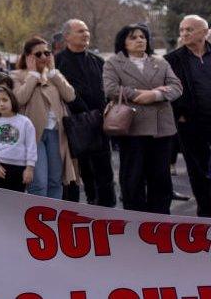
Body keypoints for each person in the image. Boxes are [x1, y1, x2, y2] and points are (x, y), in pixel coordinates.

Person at [103, 24, 182, 214]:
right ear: (123, 42)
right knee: (133, 178)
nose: (140, 40)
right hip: (132, 128)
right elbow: (111, 89)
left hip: (161, 129)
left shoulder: (160, 62)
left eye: (143, 37)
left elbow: (177, 87)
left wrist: (155, 96)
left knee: (161, 178)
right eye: (133, 37)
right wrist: (140, 94)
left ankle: (160, 220)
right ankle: (134, 220)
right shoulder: (113, 63)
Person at [54, 19, 116, 207]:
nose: (86, 34)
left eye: (87, 30)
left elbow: (107, 88)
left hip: (100, 120)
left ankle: (109, 208)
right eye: (80, 31)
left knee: (105, 168)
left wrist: (107, 107)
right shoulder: (58, 62)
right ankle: (92, 205)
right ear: (67, 37)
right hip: (75, 123)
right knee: (85, 169)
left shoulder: (98, 61)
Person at [12, 36, 77, 199]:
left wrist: (54, 72)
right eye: (38, 54)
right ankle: (36, 219)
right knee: (39, 182)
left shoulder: (54, 75)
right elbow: (19, 99)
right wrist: (33, 74)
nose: (43, 57)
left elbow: (70, 96)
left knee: (55, 180)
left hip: (56, 132)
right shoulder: (17, 75)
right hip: (33, 136)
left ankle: (53, 217)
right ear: (28, 56)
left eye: (47, 53)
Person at [164, 15, 211, 216]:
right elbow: (168, 90)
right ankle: (205, 212)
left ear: (204, 32)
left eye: (189, 30)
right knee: (197, 170)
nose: (184, 34)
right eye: (182, 30)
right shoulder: (172, 59)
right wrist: (180, 113)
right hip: (190, 123)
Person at [0, 86, 36, 192]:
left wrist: (29, 169)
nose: (1, 104)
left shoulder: (25, 122)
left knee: (17, 202)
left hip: (20, 168)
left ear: (12, 99)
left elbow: (31, 147)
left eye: (4, 100)